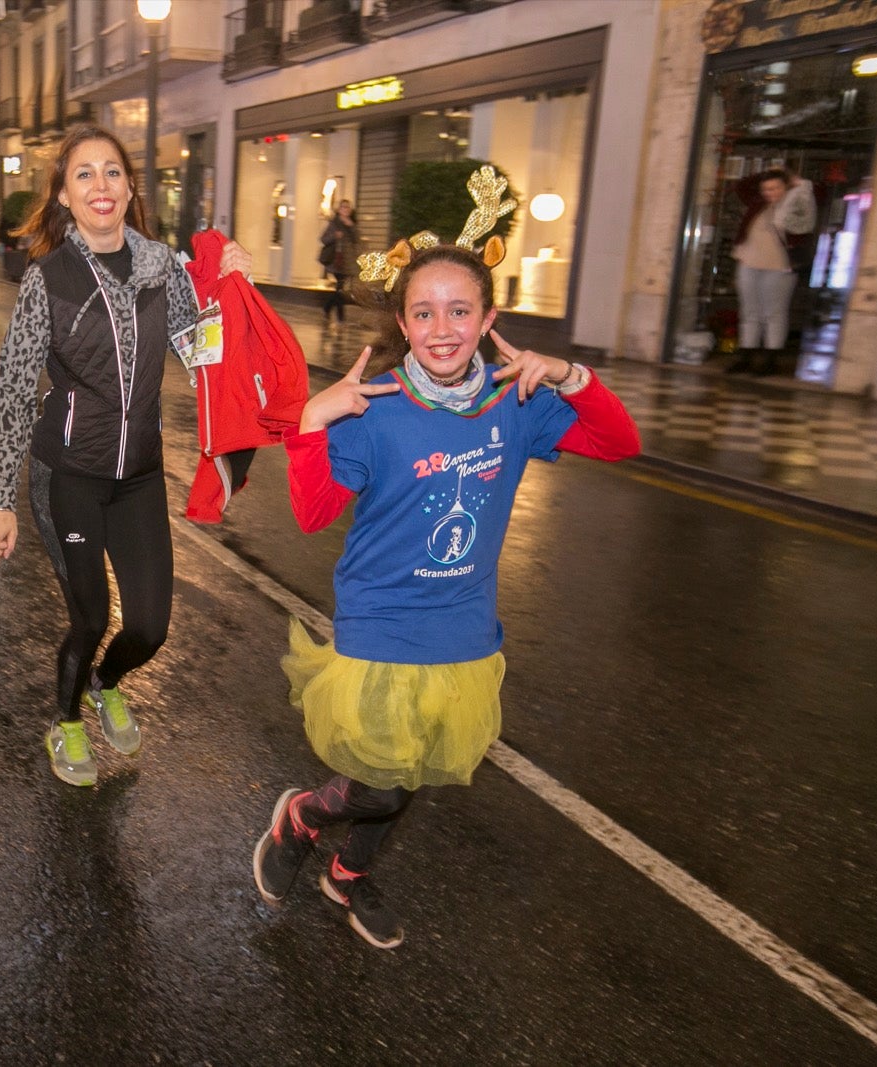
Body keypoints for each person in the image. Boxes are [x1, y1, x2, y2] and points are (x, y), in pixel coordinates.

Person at [251, 236, 641, 949]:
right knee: (384, 781)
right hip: (381, 624)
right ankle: (302, 816)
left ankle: (347, 874)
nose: (441, 328)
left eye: (459, 310)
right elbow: (312, 514)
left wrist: (568, 374)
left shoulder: (514, 401)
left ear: (488, 318)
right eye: (424, 312)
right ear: (402, 323)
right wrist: (313, 421)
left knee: (418, 766)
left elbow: (618, 443)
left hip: (462, 631)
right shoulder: (374, 407)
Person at [0, 124, 252, 787]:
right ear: (63, 193)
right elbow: (10, 392)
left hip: (139, 476)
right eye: (84, 173)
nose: (100, 185)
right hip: (70, 477)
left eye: (112, 171)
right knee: (90, 616)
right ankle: (64, 722)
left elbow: (202, 355)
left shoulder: (162, 270)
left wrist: (228, 293)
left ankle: (104, 682)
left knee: (148, 626)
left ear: (128, 187)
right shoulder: (48, 279)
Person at [727, 167, 815, 376]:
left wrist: (795, 181)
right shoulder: (757, 203)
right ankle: (745, 357)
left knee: (774, 313)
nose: (770, 193)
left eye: (775, 188)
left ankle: (770, 360)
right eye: (766, 189)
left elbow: (813, 197)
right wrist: (768, 172)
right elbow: (742, 186)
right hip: (748, 262)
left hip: (780, 266)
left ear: (786, 187)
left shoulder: (796, 206)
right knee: (749, 311)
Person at [319, 200, 360, 329]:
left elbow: (357, 240)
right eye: (343, 207)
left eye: (348, 207)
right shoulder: (334, 223)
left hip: (349, 261)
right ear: (339, 209)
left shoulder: (352, 224)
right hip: (337, 261)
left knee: (341, 289)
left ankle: (327, 308)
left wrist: (351, 227)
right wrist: (334, 236)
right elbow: (323, 239)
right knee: (341, 288)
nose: (345, 209)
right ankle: (341, 318)